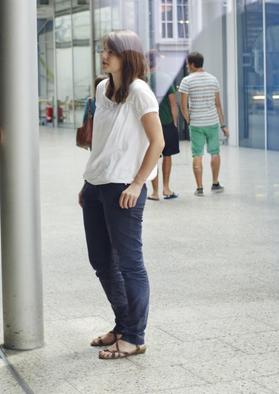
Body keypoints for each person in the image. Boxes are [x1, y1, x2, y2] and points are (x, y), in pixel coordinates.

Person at [80, 30, 164, 360]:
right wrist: (87, 182)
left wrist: (138, 183)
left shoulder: (140, 93)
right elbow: (101, 142)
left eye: (110, 51)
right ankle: (122, 325)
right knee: (101, 261)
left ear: (127, 55)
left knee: (129, 263)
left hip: (123, 187)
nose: (104, 55)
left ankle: (135, 336)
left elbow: (157, 142)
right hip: (96, 185)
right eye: (103, 50)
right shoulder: (103, 88)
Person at [179, 52, 228, 196]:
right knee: (215, 152)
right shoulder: (213, 79)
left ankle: (199, 188)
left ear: (193, 64)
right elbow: (218, 104)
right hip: (212, 121)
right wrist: (223, 125)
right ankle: (215, 183)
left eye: (188, 64)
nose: (187, 67)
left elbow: (183, 105)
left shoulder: (186, 81)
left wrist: (189, 120)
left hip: (196, 123)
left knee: (197, 155)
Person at [147, 49, 180, 200]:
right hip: (166, 123)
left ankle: (154, 192)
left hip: (149, 124)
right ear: (158, 61)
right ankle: (166, 188)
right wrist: (175, 123)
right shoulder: (166, 78)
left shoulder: (143, 79)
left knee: (153, 157)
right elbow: (173, 104)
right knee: (167, 155)